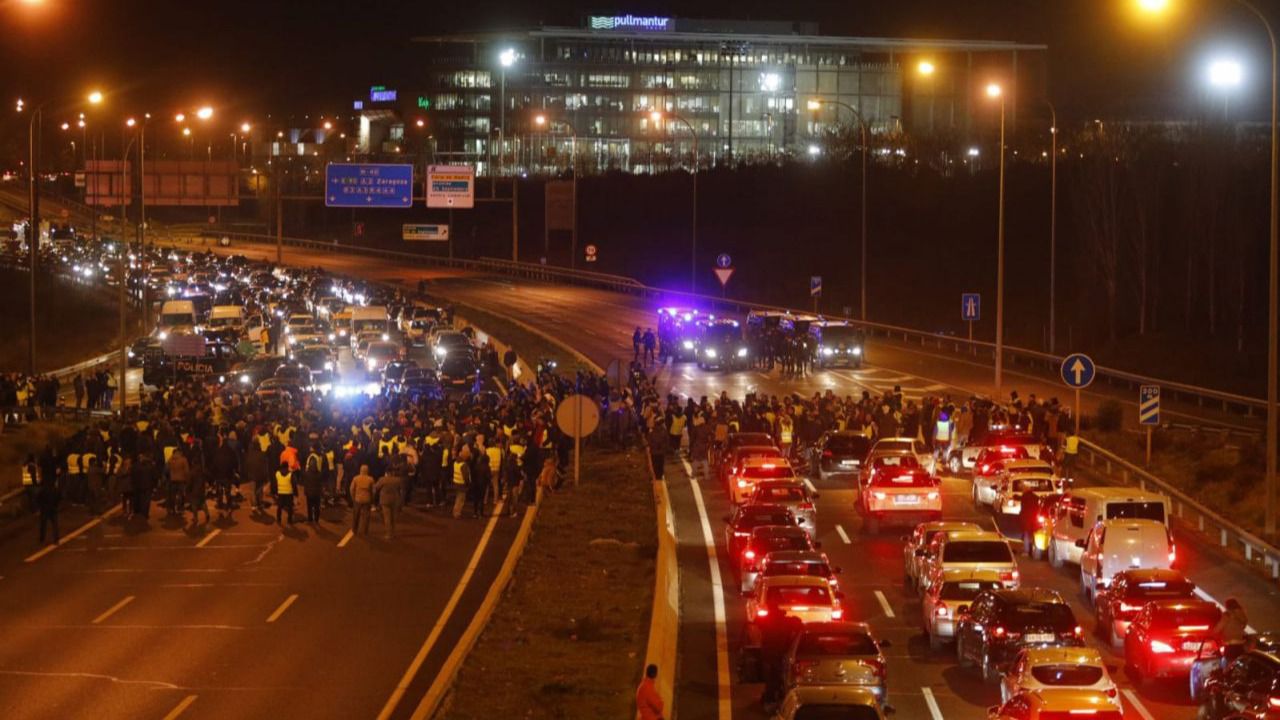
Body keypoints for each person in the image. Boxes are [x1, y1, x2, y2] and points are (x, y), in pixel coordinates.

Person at [374, 461, 405, 538]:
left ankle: (388, 533)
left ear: (386, 472)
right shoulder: (398, 480)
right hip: (395, 499)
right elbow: (402, 491)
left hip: (384, 500)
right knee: (393, 518)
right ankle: (393, 532)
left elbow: (376, 488)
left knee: (387, 517)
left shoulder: (382, 479)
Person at [350, 464, 376, 536]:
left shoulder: (356, 478)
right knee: (366, 516)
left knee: (356, 515)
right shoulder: (371, 479)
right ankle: (365, 531)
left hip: (358, 499)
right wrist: (372, 498)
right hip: (367, 499)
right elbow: (374, 491)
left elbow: (351, 489)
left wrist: (353, 498)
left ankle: (354, 530)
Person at [36, 473, 61, 545]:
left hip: (44, 509)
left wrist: (40, 507)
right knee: (55, 525)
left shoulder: (43, 490)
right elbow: (59, 497)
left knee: (43, 524)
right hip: (53, 508)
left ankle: (42, 538)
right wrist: (56, 505)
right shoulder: (54, 489)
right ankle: (56, 540)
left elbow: (38, 499)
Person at [1019, 485, 1041, 556]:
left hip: (1026, 518)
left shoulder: (1024, 497)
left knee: (1026, 534)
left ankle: (1026, 551)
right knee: (1035, 534)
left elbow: (1022, 508)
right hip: (1034, 518)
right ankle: (1037, 551)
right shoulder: (1036, 497)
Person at [273, 461, 296, 525]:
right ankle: (289, 520)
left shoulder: (277, 473)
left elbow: (275, 483)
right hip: (289, 493)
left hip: (280, 493)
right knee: (290, 507)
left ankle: (278, 519)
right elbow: (294, 484)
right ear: (287, 466)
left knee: (279, 507)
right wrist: (295, 492)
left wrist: (275, 492)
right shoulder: (290, 474)